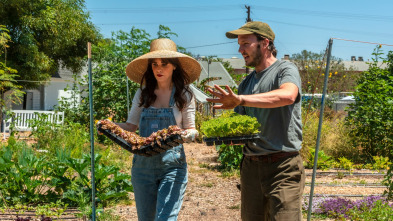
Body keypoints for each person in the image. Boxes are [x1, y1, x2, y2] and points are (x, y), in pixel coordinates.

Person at [206, 21, 305, 221]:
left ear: (265, 43)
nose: (240, 49)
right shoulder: (246, 83)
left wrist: (241, 99)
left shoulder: (285, 70)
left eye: (245, 44)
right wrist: (225, 134)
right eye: (239, 44)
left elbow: (287, 95)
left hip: (283, 167)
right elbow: (245, 127)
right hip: (251, 168)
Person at [115, 38, 201, 220]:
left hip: (172, 166)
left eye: (164, 64)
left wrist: (185, 134)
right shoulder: (143, 93)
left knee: (165, 218)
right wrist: (109, 125)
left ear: (175, 66)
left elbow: (192, 130)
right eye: (154, 64)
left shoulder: (184, 94)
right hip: (142, 167)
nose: (159, 69)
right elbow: (131, 126)